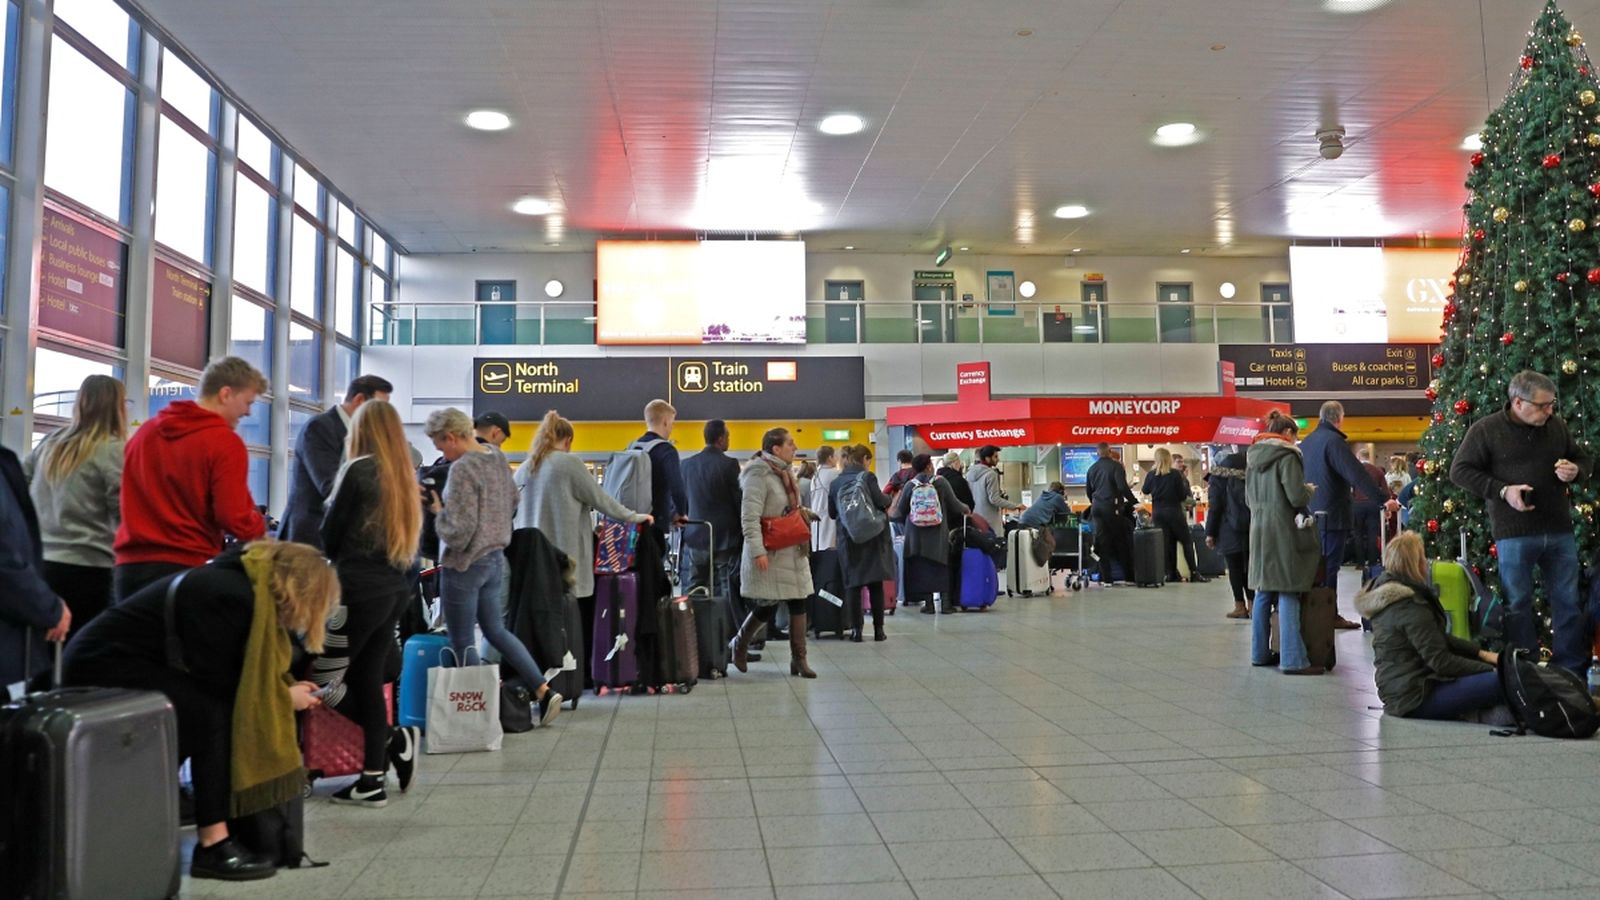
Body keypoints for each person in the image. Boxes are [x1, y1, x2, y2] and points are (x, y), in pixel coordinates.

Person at [61, 541, 336, 881]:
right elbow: (225, 684)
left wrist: (281, 691)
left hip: (118, 660)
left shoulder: (241, 583)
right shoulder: (230, 597)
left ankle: (208, 826)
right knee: (212, 716)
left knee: (210, 710)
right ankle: (213, 842)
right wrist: (284, 698)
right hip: (101, 666)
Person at [311, 399, 424, 806]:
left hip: (355, 591)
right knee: (367, 680)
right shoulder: (403, 476)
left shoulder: (358, 471)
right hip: (393, 590)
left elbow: (330, 533)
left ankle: (393, 739)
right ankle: (372, 778)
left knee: (321, 679)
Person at [1451, 370, 1594, 676]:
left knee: (1568, 602)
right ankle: (1525, 672)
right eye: (1543, 405)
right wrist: (1503, 491)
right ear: (1518, 402)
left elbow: (1583, 459)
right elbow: (1460, 470)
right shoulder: (1486, 430)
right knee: (1518, 603)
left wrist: (1575, 471)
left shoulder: (1556, 427)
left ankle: (1571, 671)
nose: (1550, 411)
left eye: (1551, 404)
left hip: (1558, 529)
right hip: (1513, 532)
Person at [424, 409, 563, 723]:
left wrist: (437, 511)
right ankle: (543, 690)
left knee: (461, 641)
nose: (441, 453)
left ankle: (479, 711)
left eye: (440, 445)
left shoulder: (462, 470)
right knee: (496, 631)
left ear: (451, 436)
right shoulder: (497, 458)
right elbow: (514, 500)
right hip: (495, 559)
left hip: (463, 564)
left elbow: (458, 530)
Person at [514, 410, 652, 686]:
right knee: (573, 620)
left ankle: (540, 679)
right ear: (566, 440)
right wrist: (637, 517)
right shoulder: (568, 464)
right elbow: (603, 501)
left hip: (530, 563)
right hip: (566, 559)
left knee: (540, 620)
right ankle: (577, 677)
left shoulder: (524, 468)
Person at [113, 356, 268, 602]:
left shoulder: (145, 433)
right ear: (225, 394)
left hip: (129, 570)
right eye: (247, 402)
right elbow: (233, 516)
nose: (248, 412)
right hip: (184, 571)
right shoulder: (224, 442)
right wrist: (260, 530)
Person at [1355, 532, 1504, 721]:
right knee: (1503, 681)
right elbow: (1440, 661)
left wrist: (1481, 654)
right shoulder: (1409, 604)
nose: (1427, 564)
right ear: (1414, 564)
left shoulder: (1389, 593)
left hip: (1402, 690)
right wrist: (1490, 669)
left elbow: (1434, 638)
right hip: (1415, 696)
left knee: (1497, 681)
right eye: (1423, 558)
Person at [24, 374, 125, 639]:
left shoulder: (51, 442)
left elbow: (17, 483)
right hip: (90, 569)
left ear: (80, 402)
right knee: (82, 652)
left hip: (42, 564)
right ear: (118, 406)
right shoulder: (113, 449)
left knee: (43, 653)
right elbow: (123, 510)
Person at [729, 428, 817, 678]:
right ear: (776, 449)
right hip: (771, 549)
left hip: (793, 547)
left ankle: (799, 659)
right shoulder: (758, 475)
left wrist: (804, 514)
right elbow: (749, 517)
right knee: (767, 604)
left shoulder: (786, 473)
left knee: (799, 600)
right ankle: (740, 643)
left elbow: (787, 508)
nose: (795, 446)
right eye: (790, 443)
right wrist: (757, 551)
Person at [1300, 401, 1396, 629]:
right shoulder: (1334, 442)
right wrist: (1384, 500)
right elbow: (1357, 475)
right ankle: (1329, 615)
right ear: (1339, 418)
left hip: (1310, 514)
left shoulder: (1307, 443)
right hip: (1332, 516)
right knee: (1330, 568)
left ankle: (1315, 613)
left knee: (1316, 568)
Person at [1246, 411, 1324, 675]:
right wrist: (1309, 490)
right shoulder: (1287, 456)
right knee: (1288, 587)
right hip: (1282, 528)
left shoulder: (1253, 458)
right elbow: (1294, 495)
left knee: (1263, 590)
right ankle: (1292, 660)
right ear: (1288, 434)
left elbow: (1248, 498)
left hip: (1258, 527)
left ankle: (1259, 653)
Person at [278, 375, 392, 547]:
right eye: (377, 408)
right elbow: (330, 486)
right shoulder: (319, 428)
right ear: (359, 400)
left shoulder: (363, 436)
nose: (381, 417)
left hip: (339, 535)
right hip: (309, 538)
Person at [2, 445, 70, 692]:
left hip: (50, 561)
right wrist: (48, 608)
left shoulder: (48, 445)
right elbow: (4, 561)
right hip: (91, 566)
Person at [894, 453, 984, 613]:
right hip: (937, 533)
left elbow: (900, 512)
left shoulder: (910, 485)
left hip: (916, 535)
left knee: (922, 567)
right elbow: (955, 504)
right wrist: (966, 509)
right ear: (929, 466)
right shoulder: (940, 482)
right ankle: (945, 604)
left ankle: (928, 604)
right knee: (941, 566)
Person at [828, 444, 895, 642]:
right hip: (872, 537)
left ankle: (856, 631)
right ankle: (878, 631)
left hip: (848, 539)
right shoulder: (867, 477)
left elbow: (832, 513)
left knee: (853, 586)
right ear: (865, 459)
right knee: (875, 585)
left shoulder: (836, 482)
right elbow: (882, 501)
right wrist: (889, 498)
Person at [1143, 449, 1206, 584]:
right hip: (1174, 512)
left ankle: (1170, 573)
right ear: (1169, 459)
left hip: (1158, 513)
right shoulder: (1175, 475)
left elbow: (1145, 490)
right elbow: (1183, 495)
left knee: (1167, 543)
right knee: (1186, 541)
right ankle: (1194, 572)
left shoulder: (1151, 475)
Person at [1205, 446, 1252, 619]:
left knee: (1234, 568)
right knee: (1249, 566)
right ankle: (1253, 604)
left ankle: (1240, 606)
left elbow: (1215, 507)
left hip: (1228, 528)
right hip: (1250, 527)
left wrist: (1210, 532)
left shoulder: (1217, 478)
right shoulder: (1249, 476)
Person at [1086, 443, 1136, 585]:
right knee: (1121, 541)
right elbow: (1122, 487)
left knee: (1102, 543)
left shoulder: (1092, 469)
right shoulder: (1116, 466)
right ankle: (1129, 577)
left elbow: (1089, 491)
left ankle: (1106, 578)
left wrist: (1096, 502)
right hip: (1112, 507)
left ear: (1097, 453)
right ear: (1109, 451)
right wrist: (1135, 502)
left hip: (1096, 508)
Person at [1350, 447, 1393, 570]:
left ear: (1358, 458)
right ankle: (1373, 562)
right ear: (1370, 458)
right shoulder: (1378, 471)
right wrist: (1386, 506)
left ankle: (1360, 563)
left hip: (1357, 505)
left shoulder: (1354, 471)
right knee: (1372, 534)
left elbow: (1349, 490)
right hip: (1373, 505)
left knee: (1357, 534)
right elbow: (1385, 492)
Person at [966, 444, 1019, 528]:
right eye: (995, 457)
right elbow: (994, 499)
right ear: (987, 458)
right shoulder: (991, 474)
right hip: (990, 519)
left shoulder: (969, 474)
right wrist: (1015, 506)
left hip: (976, 517)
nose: (998, 459)